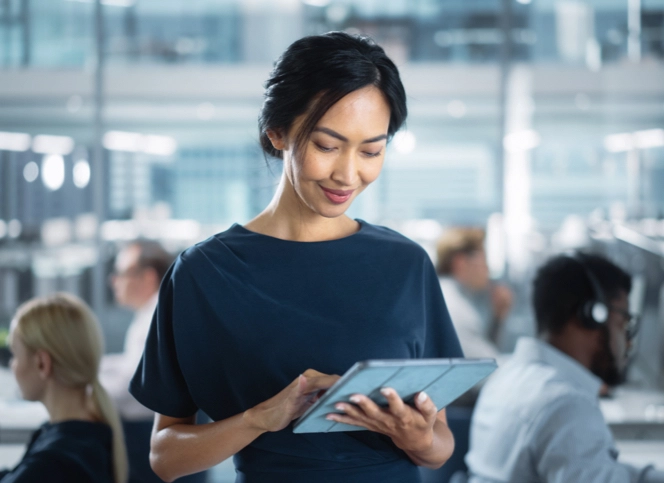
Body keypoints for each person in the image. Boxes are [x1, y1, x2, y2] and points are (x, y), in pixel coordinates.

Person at [129, 31, 463, 483]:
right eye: (327, 146)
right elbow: (165, 456)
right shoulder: (204, 274)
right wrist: (260, 418)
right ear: (278, 131)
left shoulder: (406, 264)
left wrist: (414, 436)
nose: (348, 173)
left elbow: (439, 447)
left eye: (372, 150)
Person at [465, 253, 664, 483]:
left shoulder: (507, 376)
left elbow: (600, 471)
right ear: (591, 316)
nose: (627, 342)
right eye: (623, 324)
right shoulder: (566, 404)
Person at [102, 240, 205, 483]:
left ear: (148, 278)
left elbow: (140, 394)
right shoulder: (153, 313)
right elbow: (135, 367)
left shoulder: (157, 316)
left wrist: (84, 387)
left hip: (154, 447)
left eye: (121, 273)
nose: (113, 281)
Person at [1, 293, 128, 483]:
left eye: (15, 354)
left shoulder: (51, 462)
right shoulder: (87, 435)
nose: (12, 365)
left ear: (42, 364)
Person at [436, 227, 512, 360]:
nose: (487, 268)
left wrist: (498, 318)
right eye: (484, 259)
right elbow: (486, 367)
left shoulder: (445, 294)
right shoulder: (453, 305)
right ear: (461, 262)